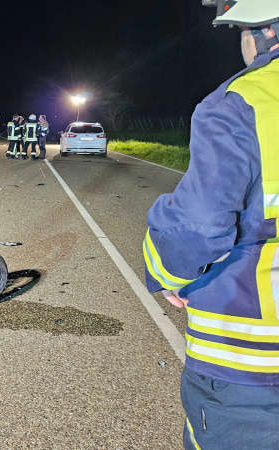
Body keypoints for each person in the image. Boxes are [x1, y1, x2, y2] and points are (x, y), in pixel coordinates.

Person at [143, 1, 279, 448]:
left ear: (263, 33)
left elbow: (199, 226)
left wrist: (164, 277)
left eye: (241, 29)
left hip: (253, 369)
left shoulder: (241, 104)